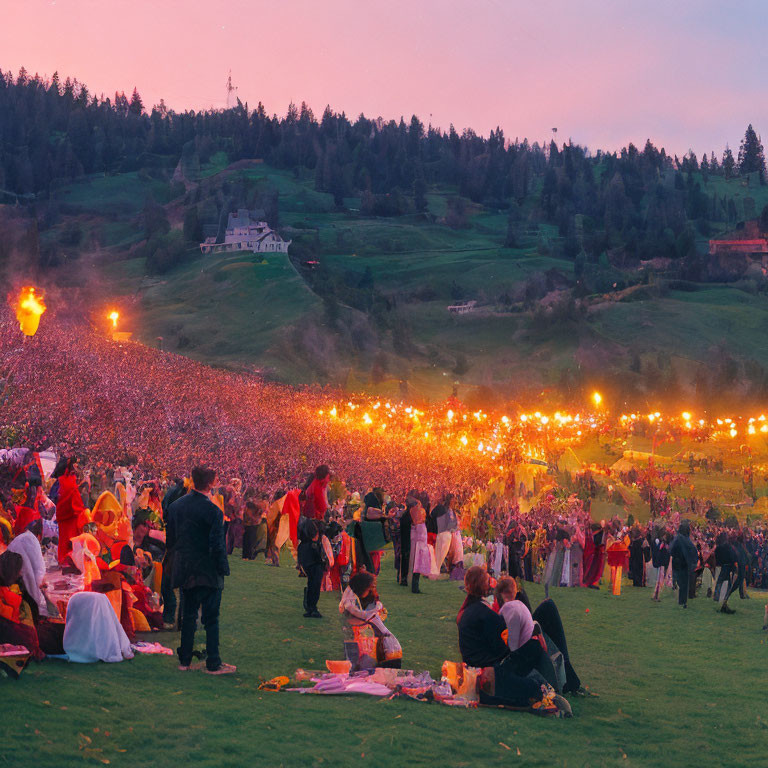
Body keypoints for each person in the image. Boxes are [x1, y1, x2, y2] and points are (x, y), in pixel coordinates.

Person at [456, 566, 556, 712]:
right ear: (485, 585)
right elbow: (501, 649)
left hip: (477, 663)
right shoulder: (485, 614)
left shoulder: (468, 612)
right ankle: (553, 686)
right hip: (489, 666)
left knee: (531, 647)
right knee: (534, 648)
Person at [167, 465, 235, 674]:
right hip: (207, 570)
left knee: (188, 616)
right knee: (211, 618)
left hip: (186, 567)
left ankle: (184, 661)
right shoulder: (213, 510)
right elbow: (217, 544)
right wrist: (222, 568)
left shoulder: (176, 506)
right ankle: (213, 662)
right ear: (211, 483)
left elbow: (171, 540)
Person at [494, 576, 584, 695]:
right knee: (548, 607)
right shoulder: (497, 609)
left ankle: (568, 676)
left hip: (518, 633)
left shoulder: (499, 605)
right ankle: (568, 677)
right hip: (516, 645)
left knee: (548, 606)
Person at [339, 571, 401, 670]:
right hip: (357, 652)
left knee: (391, 646)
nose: (373, 590)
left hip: (372, 653)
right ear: (361, 588)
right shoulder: (349, 605)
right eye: (370, 587)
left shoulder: (373, 605)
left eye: (374, 587)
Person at [7, 519, 48, 617]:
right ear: (40, 534)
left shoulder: (23, 537)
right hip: (15, 584)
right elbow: (39, 571)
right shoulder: (32, 540)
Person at [297, 517, 325, 618]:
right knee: (315, 585)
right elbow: (319, 557)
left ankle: (310, 607)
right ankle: (312, 607)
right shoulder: (313, 544)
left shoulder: (303, 544)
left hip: (308, 564)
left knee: (311, 584)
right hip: (314, 565)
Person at [670, 520, 698, 609]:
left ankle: (681, 600)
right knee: (684, 584)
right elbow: (693, 550)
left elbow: (671, 550)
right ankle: (683, 601)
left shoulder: (677, 538)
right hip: (684, 563)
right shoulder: (686, 540)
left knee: (680, 582)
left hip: (677, 563)